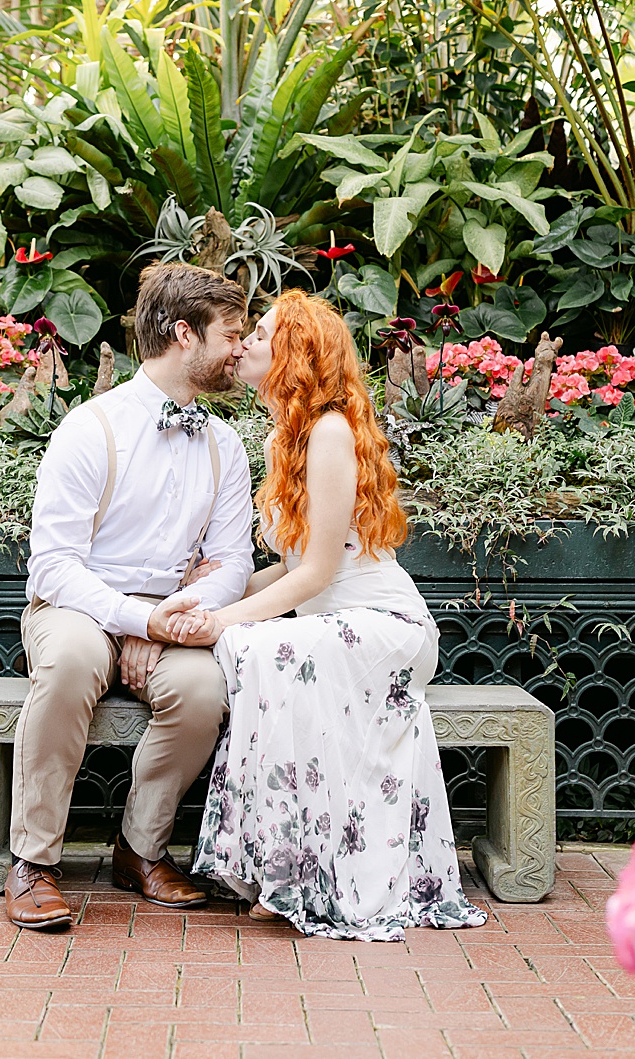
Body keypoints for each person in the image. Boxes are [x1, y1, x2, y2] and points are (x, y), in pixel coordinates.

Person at [164, 290, 487, 941]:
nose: (246, 341)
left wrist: (225, 623)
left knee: (265, 650)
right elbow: (290, 569)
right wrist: (205, 597)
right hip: (331, 625)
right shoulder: (287, 434)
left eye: (261, 332)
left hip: (385, 626)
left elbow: (316, 576)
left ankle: (294, 872)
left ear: (295, 351)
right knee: (270, 650)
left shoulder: (332, 431)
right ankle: (294, 868)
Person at [5, 262, 256, 930]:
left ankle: (139, 849)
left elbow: (234, 561)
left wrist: (168, 620)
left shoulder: (226, 445)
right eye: (231, 333)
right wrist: (137, 616)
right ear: (183, 334)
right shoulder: (91, 428)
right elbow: (55, 565)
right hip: (77, 607)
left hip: (172, 613)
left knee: (204, 690)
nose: (240, 347)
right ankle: (33, 860)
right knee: (69, 664)